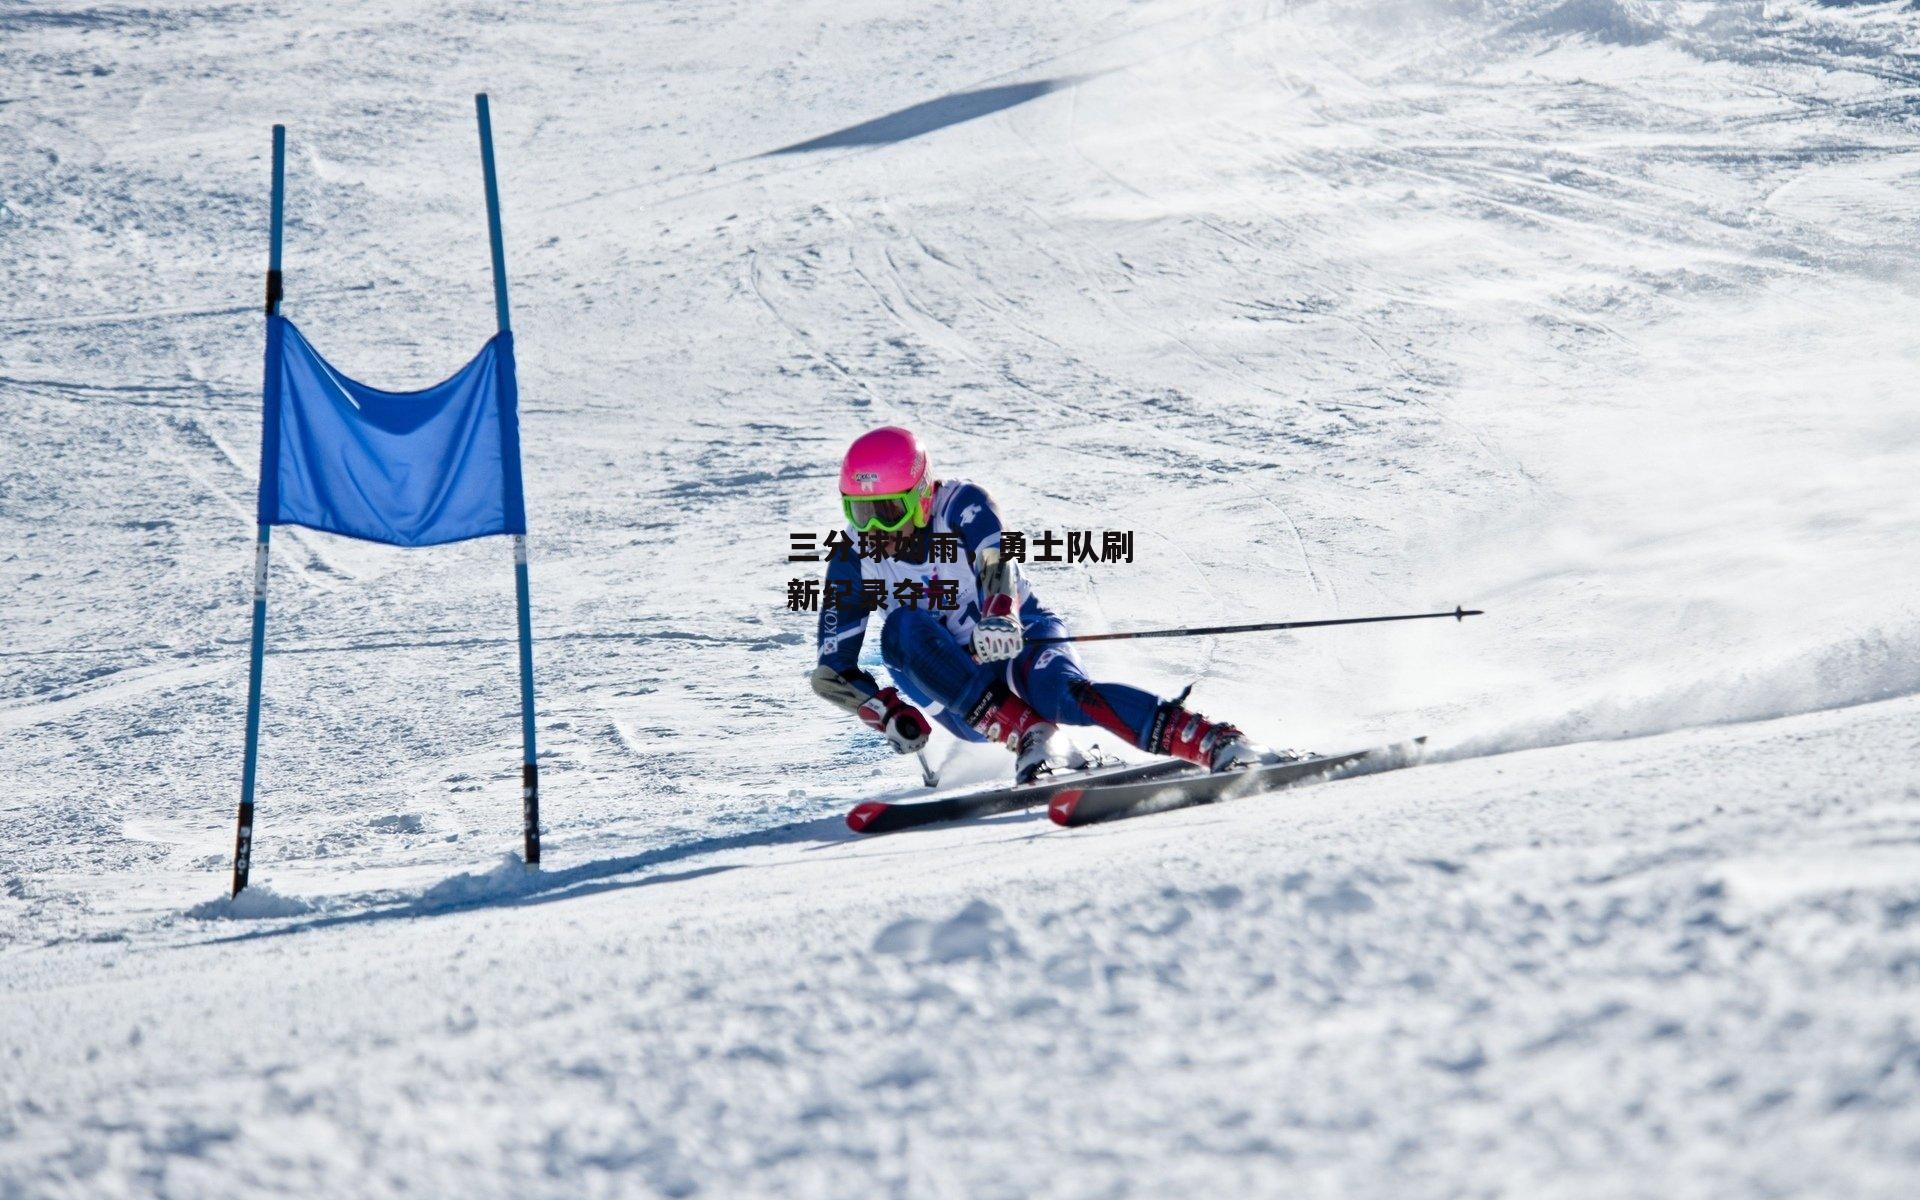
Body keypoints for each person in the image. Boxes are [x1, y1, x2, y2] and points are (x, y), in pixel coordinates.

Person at [809, 426, 1294, 784]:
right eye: (860, 511)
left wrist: (1000, 611)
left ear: (920, 495)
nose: (875, 529)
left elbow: (996, 556)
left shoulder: (962, 505)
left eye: (887, 513)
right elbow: (832, 671)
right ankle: (1035, 737)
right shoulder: (854, 554)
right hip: (961, 694)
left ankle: (1216, 742)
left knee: (1063, 693)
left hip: (1015, 639)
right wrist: (886, 711)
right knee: (902, 629)